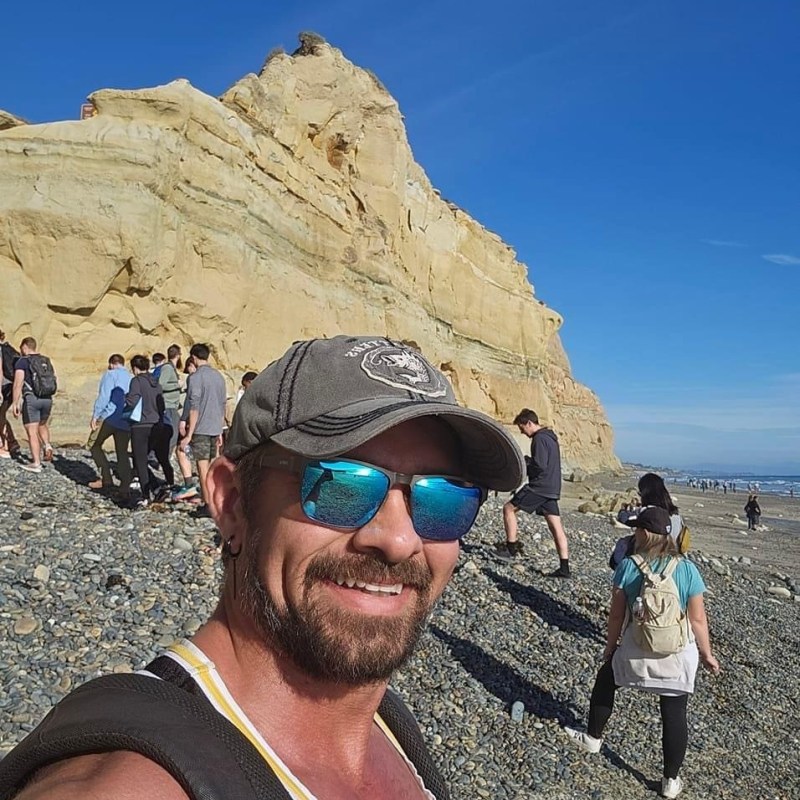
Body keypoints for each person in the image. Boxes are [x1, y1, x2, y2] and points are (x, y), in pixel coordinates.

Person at [0, 335, 524, 799]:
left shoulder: (387, 722)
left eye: (444, 498)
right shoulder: (130, 783)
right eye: (341, 484)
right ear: (231, 502)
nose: (399, 540)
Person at [565, 506, 720, 799]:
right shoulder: (687, 568)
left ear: (645, 533)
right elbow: (698, 619)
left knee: (606, 679)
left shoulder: (628, 566)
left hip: (636, 650)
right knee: (674, 711)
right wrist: (707, 654)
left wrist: (610, 648)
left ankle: (593, 738)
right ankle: (670, 781)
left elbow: (616, 616)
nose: (634, 533)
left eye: (636, 528)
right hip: (676, 653)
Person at [498, 408, 571, 577]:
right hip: (552, 488)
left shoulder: (539, 439)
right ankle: (564, 568)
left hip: (539, 487)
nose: (522, 432)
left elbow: (540, 465)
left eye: (522, 427)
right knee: (556, 527)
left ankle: (510, 549)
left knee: (508, 509)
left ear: (530, 423)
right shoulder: (551, 438)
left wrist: (526, 463)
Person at [179, 343, 226, 518]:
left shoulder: (196, 378)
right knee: (214, 469)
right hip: (215, 427)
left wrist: (189, 435)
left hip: (201, 428)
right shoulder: (219, 377)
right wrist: (220, 430)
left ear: (193, 357)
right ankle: (218, 503)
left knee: (203, 468)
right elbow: (222, 405)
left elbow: (194, 407)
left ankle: (208, 505)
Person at [125, 355, 173, 507]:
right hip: (156, 424)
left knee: (139, 461)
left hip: (140, 424)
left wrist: (125, 398)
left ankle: (146, 495)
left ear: (135, 368)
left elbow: (132, 401)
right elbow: (161, 404)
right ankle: (161, 488)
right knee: (151, 458)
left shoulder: (137, 381)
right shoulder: (156, 382)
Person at [610, 473, 685, 569]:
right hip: (673, 556)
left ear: (645, 493)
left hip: (650, 556)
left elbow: (626, 519)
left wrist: (624, 510)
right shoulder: (676, 516)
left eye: (640, 493)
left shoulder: (648, 512)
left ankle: (622, 568)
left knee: (624, 544)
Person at [88, 354, 133, 496]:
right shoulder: (131, 377)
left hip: (109, 417)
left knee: (94, 444)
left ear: (112, 364)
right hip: (125, 419)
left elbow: (104, 396)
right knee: (122, 452)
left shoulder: (110, 374)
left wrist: (96, 415)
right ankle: (125, 487)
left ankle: (106, 478)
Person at [11, 337, 57, 473]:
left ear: (25, 347)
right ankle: (47, 446)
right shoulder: (45, 360)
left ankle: (36, 463)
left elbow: (18, 383)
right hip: (47, 398)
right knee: (42, 424)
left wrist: (15, 402)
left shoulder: (23, 362)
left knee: (31, 431)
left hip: (32, 398)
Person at [158, 344, 183, 457]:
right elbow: (161, 385)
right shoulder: (168, 368)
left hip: (172, 405)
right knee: (172, 433)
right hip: (168, 406)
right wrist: (177, 385)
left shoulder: (171, 368)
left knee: (173, 432)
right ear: (178, 355)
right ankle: (165, 457)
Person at [0, 329, 22, 459]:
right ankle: (12, 442)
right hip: (10, 386)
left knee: (0, 415)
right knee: (1, 414)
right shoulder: (8, 348)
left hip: (3, 387)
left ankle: (5, 446)